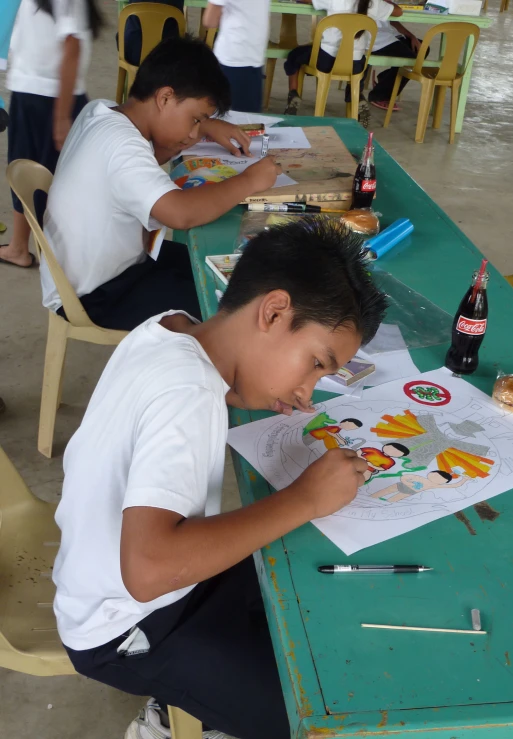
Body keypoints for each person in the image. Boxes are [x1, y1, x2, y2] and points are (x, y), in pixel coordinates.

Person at [52, 218, 388, 739]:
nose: (307, 394)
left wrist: (238, 391)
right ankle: (171, 715)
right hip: (126, 624)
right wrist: (306, 498)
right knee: (315, 720)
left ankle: (205, 700)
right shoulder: (189, 395)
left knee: (300, 587)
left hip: (137, 580)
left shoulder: (172, 327)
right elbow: (147, 569)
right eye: (315, 364)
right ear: (273, 311)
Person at [40, 36, 281, 331]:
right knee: (238, 307)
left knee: (229, 268)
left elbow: (132, 173)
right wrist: (249, 180)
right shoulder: (122, 146)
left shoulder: (103, 112)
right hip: (97, 294)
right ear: (165, 97)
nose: (195, 133)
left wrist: (203, 126)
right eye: (195, 119)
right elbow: (181, 214)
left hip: (106, 269)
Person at [0, 0, 103, 269]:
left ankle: (54, 253)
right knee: (25, 172)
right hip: (34, 93)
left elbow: (72, 46)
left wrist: (61, 115)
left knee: (49, 179)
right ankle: (20, 246)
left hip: (47, 98)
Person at [284, 0, 402, 124]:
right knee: (363, 65)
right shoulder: (374, 3)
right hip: (355, 66)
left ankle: (293, 94)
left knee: (294, 55)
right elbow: (398, 12)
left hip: (325, 61)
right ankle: (356, 97)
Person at [202, 0, 271, 113]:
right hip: (254, 57)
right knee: (249, 121)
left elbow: (210, 20)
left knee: (225, 118)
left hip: (233, 56)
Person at [366, 19, 427, 110]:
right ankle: (379, 95)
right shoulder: (377, 4)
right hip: (376, 39)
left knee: (422, 49)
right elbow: (397, 12)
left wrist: (411, 36)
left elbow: (392, 20)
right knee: (409, 60)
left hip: (391, 35)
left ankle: (385, 81)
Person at [373, 471, 470, 502]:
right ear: (431, 473)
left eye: (441, 480)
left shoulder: (434, 485)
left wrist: (464, 479)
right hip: (401, 485)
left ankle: (383, 504)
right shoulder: (419, 477)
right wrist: (408, 483)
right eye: (435, 475)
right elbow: (404, 477)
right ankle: (372, 497)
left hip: (409, 492)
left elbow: (454, 485)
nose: (436, 478)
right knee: (384, 491)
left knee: (393, 499)